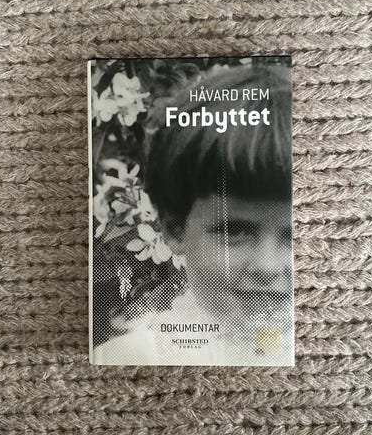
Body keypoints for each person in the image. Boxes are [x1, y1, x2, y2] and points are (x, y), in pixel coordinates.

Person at [93, 59, 293, 366]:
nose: (268, 267)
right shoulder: (130, 358)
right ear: (175, 229)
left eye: (294, 235)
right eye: (234, 231)